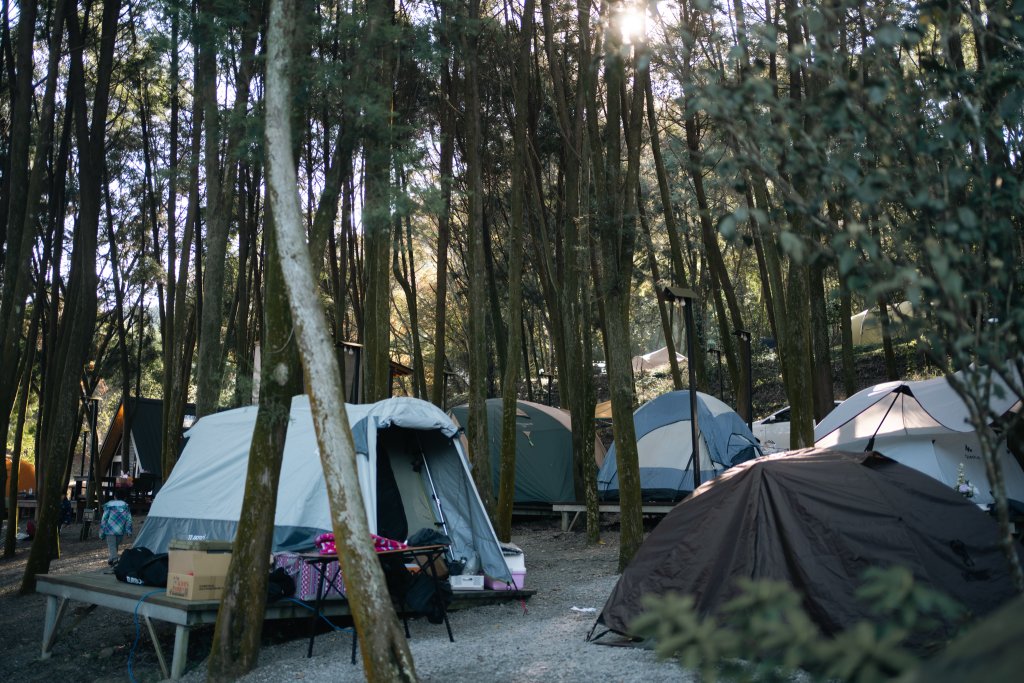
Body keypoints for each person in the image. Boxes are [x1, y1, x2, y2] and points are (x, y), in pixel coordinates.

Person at [98, 492, 133, 565]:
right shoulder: (126, 506)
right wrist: (128, 531)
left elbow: (104, 519)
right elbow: (129, 519)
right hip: (120, 530)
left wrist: (101, 531)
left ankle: (115, 560)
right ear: (124, 498)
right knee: (115, 546)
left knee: (112, 546)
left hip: (110, 529)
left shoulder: (109, 506)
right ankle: (111, 560)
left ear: (114, 497)